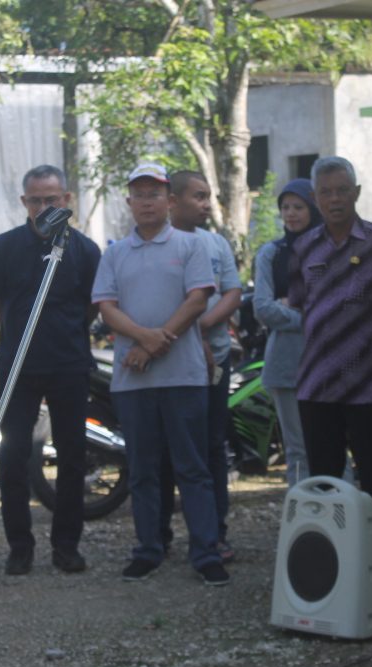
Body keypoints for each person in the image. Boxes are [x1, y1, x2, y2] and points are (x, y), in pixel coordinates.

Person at [91, 161, 229, 586]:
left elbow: (197, 300)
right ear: (129, 202)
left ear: (169, 200)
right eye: (139, 194)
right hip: (134, 381)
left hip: (184, 376)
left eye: (155, 193)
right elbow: (107, 307)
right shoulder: (115, 252)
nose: (147, 201)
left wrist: (157, 340)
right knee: (144, 468)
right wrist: (145, 340)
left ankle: (206, 552)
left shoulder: (191, 247)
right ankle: (148, 549)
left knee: (193, 467)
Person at [288, 156, 372, 588]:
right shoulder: (304, 247)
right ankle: (330, 555)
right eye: (326, 191)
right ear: (316, 198)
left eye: (342, 190)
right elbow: (303, 304)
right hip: (318, 383)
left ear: (357, 193)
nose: (335, 198)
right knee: (323, 477)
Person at [0, 165, 101, 575]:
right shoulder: (4, 247)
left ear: (66, 200)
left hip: (68, 364)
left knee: (71, 457)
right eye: (36, 200)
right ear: (24, 203)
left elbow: (91, 306)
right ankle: (20, 546)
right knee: (14, 456)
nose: (44, 206)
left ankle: (66, 545)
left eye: (52, 199)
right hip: (17, 365)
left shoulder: (85, 250)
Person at [159, 170, 242, 561]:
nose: (206, 203)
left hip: (213, 363)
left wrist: (204, 326)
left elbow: (232, 292)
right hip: (167, 362)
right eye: (198, 196)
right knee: (164, 452)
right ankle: (158, 536)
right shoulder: (155, 242)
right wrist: (183, 333)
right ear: (172, 200)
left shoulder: (216, 243)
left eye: (208, 196)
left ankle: (213, 534)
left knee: (210, 449)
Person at [253, 178, 320, 488]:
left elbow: (337, 305)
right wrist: (307, 315)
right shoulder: (272, 253)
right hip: (285, 362)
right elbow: (263, 308)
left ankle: (341, 519)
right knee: (297, 448)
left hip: (327, 360)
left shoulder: (329, 249)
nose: (291, 214)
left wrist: (292, 308)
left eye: (299, 207)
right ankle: (303, 516)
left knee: (330, 443)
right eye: (285, 207)